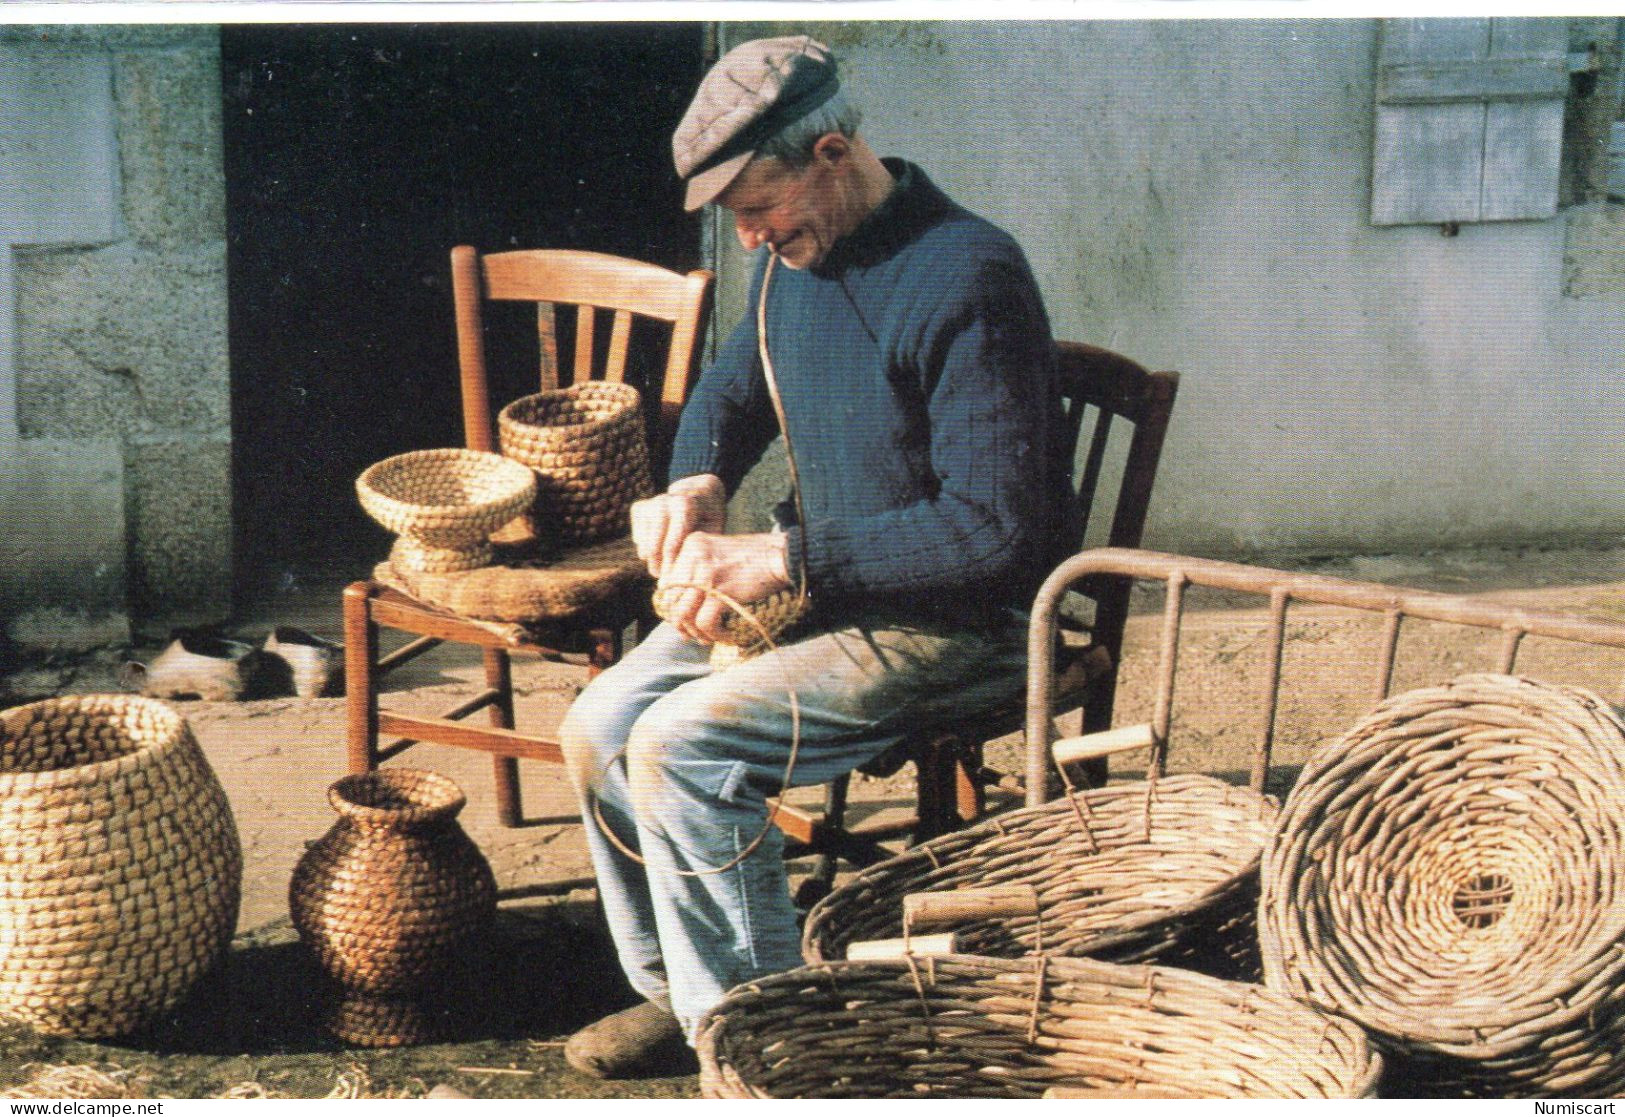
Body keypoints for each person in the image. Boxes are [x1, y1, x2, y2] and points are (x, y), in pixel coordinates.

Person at [557, 35, 1080, 1078]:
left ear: (832, 151)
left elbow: (993, 532)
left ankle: (772, 1049)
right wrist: (697, 480)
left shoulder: (968, 277)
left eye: (760, 211)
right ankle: (692, 991)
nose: (751, 240)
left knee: (679, 746)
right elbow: (730, 386)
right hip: (832, 590)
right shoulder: (800, 259)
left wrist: (785, 555)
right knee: (597, 724)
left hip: (954, 620)